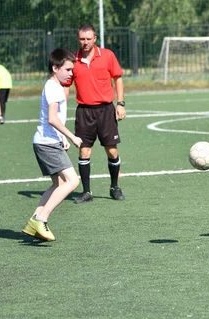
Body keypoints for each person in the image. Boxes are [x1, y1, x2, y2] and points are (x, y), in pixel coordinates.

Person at [22, 49, 83, 241]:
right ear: (55, 68)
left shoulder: (53, 85)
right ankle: (42, 218)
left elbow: (54, 120)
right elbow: (52, 119)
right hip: (46, 143)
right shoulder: (54, 87)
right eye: (67, 69)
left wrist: (61, 138)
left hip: (48, 141)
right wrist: (72, 137)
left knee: (58, 183)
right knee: (73, 181)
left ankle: (33, 221)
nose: (70, 73)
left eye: (72, 69)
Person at [63, 23, 126, 204]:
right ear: (78, 39)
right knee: (84, 151)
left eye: (88, 39)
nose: (85, 43)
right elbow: (66, 87)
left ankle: (115, 187)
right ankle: (86, 192)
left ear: (95, 39)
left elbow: (118, 78)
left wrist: (120, 104)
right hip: (84, 112)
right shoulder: (72, 60)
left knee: (112, 151)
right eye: (82, 39)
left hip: (106, 110)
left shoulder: (107, 55)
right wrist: (60, 109)